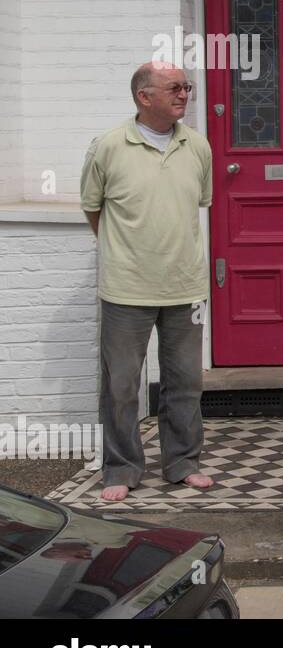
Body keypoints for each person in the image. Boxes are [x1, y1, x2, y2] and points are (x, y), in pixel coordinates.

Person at [80, 61, 215, 501]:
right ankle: (120, 469)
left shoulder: (198, 147)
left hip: (185, 287)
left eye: (187, 87)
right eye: (175, 87)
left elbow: (199, 205)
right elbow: (93, 208)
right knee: (121, 384)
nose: (184, 95)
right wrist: (125, 252)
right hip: (125, 289)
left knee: (185, 382)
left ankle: (183, 463)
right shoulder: (108, 146)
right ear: (144, 96)